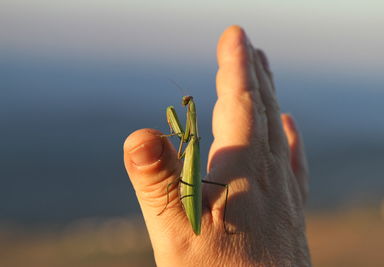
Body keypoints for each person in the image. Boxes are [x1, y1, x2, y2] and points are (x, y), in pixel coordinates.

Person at [123, 25, 310, 266]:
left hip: (188, 192)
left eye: (186, 101)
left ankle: (186, 208)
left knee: (185, 176)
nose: (184, 102)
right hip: (190, 179)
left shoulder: (191, 139)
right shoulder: (192, 138)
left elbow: (181, 147)